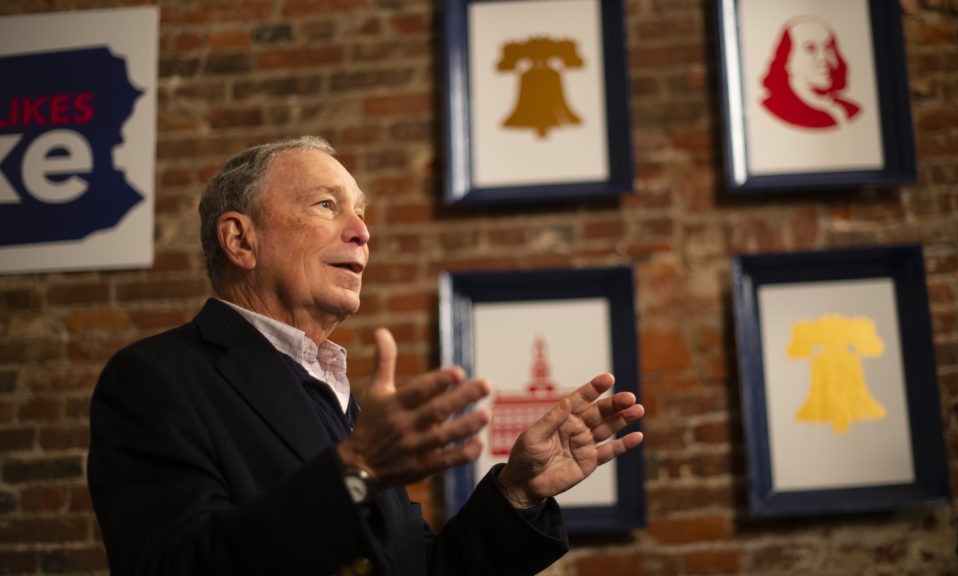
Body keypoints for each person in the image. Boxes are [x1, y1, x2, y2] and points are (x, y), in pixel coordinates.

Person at [86, 135, 645, 575]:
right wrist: (355, 472)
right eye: (326, 205)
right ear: (240, 241)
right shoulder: (156, 380)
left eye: (361, 213)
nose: (361, 232)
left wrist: (516, 493)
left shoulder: (340, 395)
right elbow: (176, 566)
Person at [760, 16, 861, 129]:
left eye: (828, 47)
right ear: (787, 60)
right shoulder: (775, 109)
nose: (823, 58)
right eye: (810, 49)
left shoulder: (851, 109)